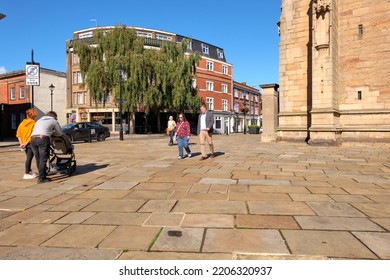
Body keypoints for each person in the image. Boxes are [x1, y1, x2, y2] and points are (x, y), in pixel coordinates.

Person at [30, 111, 64, 183]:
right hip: (42, 139)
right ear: (54, 116)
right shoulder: (53, 121)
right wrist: (52, 132)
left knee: (38, 158)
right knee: (43, 159)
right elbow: (60, 133)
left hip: (32, 139)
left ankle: (42, 174)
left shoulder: (39, 120)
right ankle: (42, 178)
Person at [16, 108, 38, 179]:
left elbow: (18, 134)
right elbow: (32, 135)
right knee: (29, 158)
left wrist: (21, 143)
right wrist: (25, 143)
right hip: (30, 143)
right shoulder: (34, 123)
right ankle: (27, 172)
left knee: (28, 157)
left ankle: (29, 171)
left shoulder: (22, 123)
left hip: (23, 144)